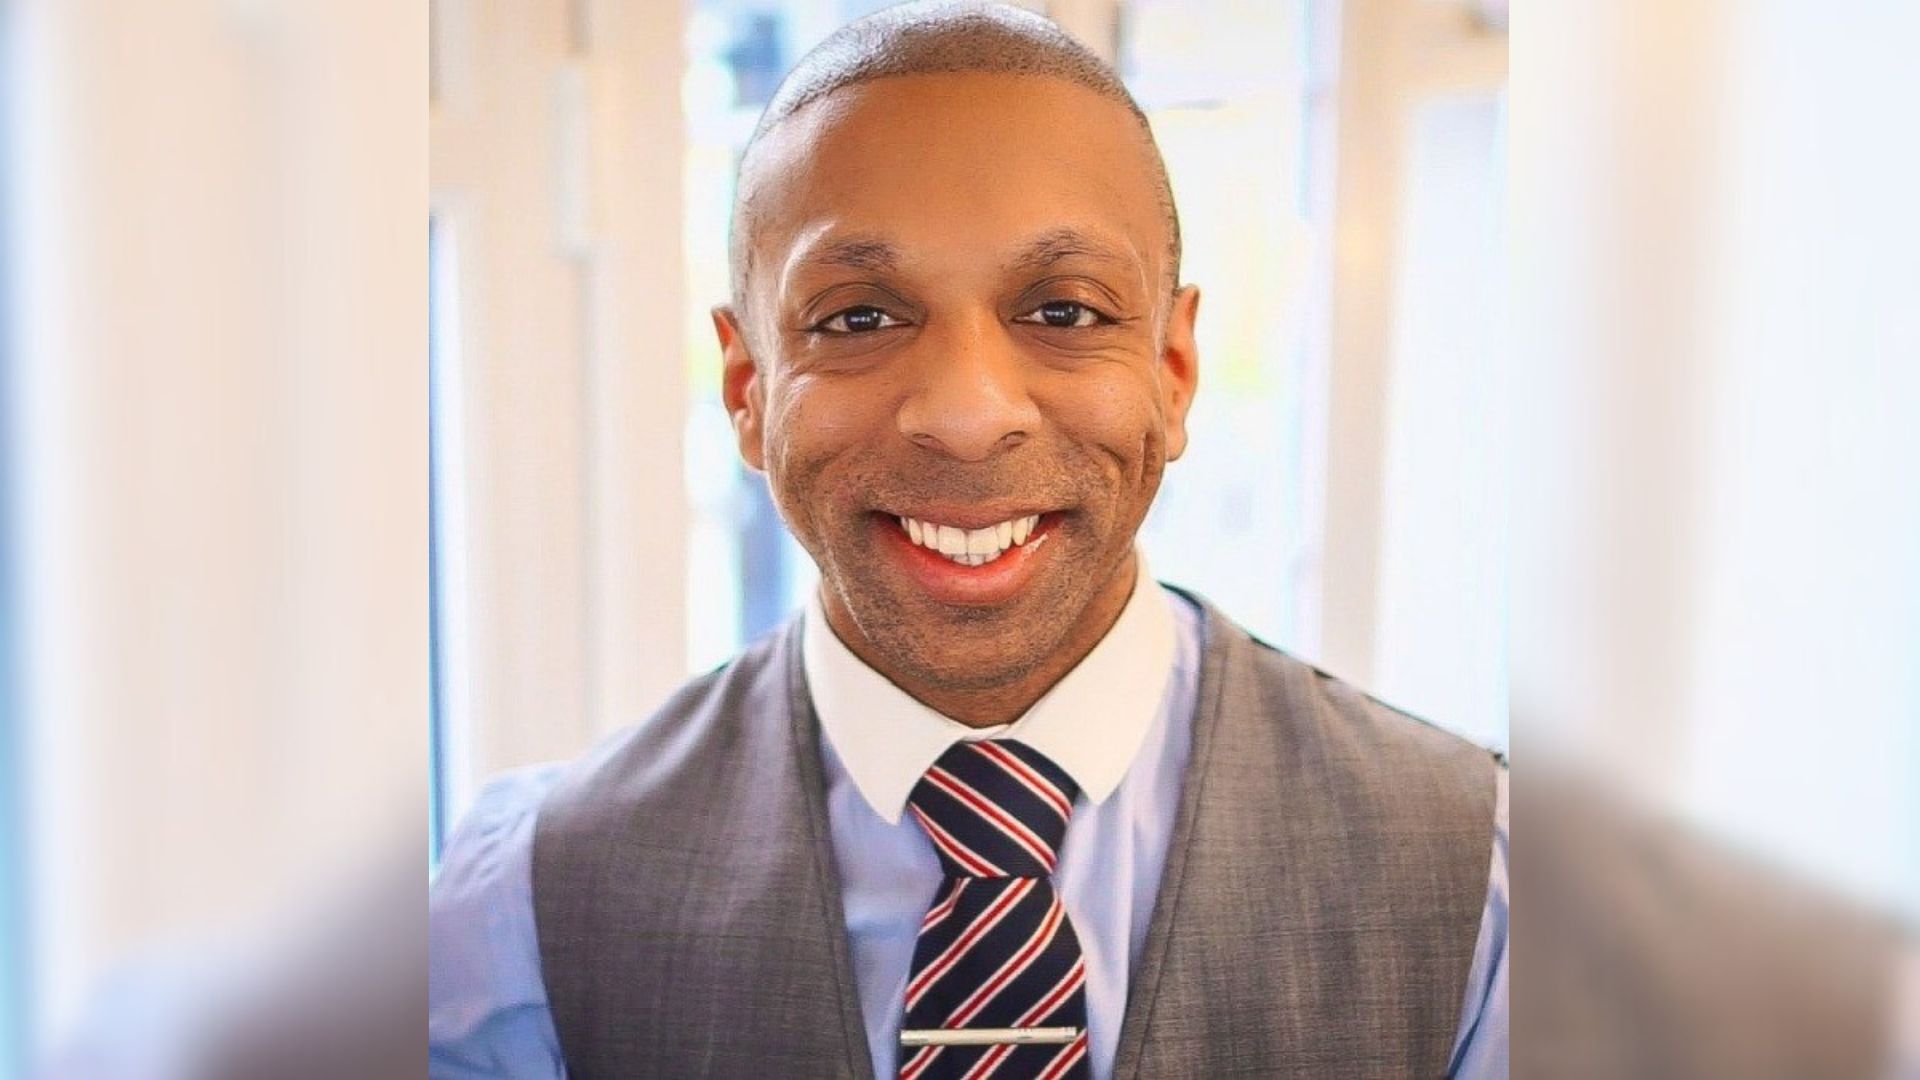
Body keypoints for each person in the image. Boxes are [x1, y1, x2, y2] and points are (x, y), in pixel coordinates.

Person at [429, 3, 1506, 1077]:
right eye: (858, 318)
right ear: (748, 386)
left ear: (1174, 371)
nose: (968, 414)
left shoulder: (1491, 892)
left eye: (1065, 312)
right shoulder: (521, 915)